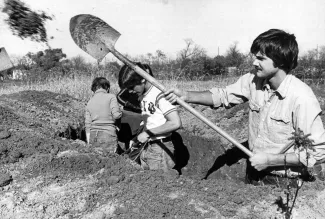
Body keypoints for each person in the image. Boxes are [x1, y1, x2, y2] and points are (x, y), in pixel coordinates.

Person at [165, 29, 325, 185]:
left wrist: (270, 160)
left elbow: (317, 152)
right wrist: (187, 95)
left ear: (281, 61)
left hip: (286, 181)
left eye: (261, 58)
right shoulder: (253, 80)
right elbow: (223, 95)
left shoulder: (301, 97)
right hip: (255, 172)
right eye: (255, 57)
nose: (254, 63)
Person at [119, 62, 182, 173]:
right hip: (148, 146)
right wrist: (137, 137)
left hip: (161, 148)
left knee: (161, 183)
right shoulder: (143, 96)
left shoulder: (160, 93)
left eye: (131, 87)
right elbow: (151, 121)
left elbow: (175, 123)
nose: (130, 91)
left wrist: (148, 133)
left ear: (142, 80)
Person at [85, 77, 122, 155]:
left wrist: (89, 142)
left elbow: (87, 125)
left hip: (93, 136)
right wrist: (121, 112)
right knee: (111, 162)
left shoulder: (90, 101)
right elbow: (116, 115)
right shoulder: (111, 97)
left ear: (94, 89)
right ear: (107, 88)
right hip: (108, 134)